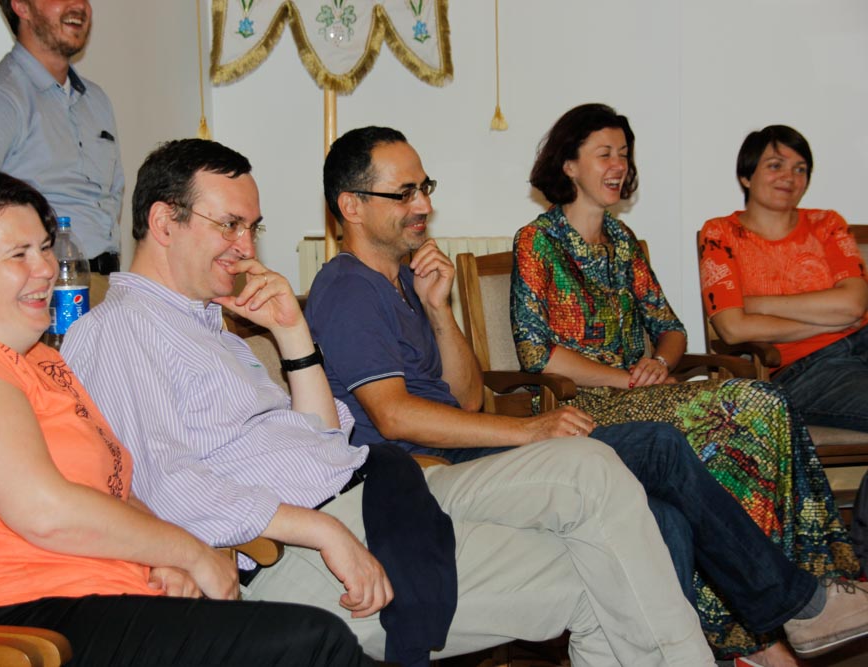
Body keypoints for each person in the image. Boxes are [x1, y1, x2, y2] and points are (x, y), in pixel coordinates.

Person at [61, 137, 722, 667]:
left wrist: (292, 334)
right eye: (230, 225)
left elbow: (322, 439)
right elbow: (163, 485)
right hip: (302, 546)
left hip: (377, 491)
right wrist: (323, 531)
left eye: (252, 227)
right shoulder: (118, 329)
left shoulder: (210, 326)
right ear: (163, 222)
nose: (247, 247)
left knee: (592, 468)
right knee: (597, 579)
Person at [307, 124, 868, 666]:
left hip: (463, 449)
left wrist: (438, 310)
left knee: (662, 517)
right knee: (660, 446)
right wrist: (530, 429)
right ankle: (798, 606)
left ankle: (736, 636)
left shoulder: (406, 282)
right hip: (421, 473)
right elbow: (395, 416)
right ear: (352, 205)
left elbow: (468, 398)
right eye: (404, 193)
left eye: (425, 187)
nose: (424, 205)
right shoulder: (349, 287)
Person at [0, 171, 373, 667]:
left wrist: (159, 558)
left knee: (322, 641)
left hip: (103, 600)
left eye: (44, 248)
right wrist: (188, 551)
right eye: (19, 255)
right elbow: (46, 512)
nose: (46, 268)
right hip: (16, 630)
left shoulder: (45, 363)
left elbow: (118, 493)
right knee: (313, 640)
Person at [509, 103, 862, 665]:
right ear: (569, 165)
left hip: (642, 393)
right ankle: (777, 622)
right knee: (746, 408)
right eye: (604, 154)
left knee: (765, 403)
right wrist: (624, 378)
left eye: (624, 154)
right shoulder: (537, 241)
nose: (619, 165)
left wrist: (659, 362)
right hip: (580, 406)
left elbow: (671, 328)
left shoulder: (623, 240)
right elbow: (538, 353)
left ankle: (773, 618)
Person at [0, 0, 122, 304]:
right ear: (21, 7)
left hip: (107, 286)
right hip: (44, 291)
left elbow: (112, 194)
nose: (78, 5)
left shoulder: (96, 100)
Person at [699, 124, 868, 433]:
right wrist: (834, 322)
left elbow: (854, 304)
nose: (790, 177)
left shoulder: (827, 223)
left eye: (800, 169)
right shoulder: (721, 233)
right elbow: (733, 328)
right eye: (776, 166)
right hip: (806, 369)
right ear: (746, 176)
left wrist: (756, 304)